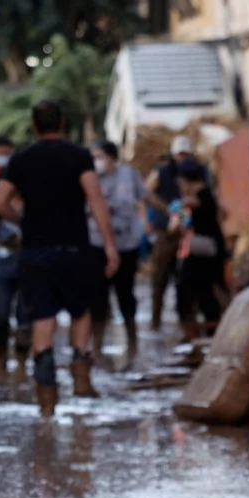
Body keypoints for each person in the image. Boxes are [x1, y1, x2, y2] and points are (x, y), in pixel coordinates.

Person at [0, 100, 118, 417]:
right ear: (62, 123)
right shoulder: (78, 155)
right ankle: (80, 375)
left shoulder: (21, 159)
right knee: (81, 312)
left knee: (42, 321)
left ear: (34, 126)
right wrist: (109, 244)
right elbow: (95, 197)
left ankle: (47, 400)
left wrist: (21, 221)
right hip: (74, 250)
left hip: (35, 252)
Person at [88, 141, 146, 368]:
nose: (96, 161)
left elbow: (145, 197)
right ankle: (96, 348)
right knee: (97, 298)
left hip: (126, 245)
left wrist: (170, 211)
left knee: (126, 295)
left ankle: (132, 344)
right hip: (95, 244)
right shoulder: (88, 178)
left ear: (112, 157)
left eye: (100, 156)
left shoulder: (129, 176)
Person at [145, 136, 210, 328]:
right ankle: (156, 318)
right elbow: (147, 192)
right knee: (161, 276)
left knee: (190, 277)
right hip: (167, 230)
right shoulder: (163, 172)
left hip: (190, 231)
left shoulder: (198, 172)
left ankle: (189, 319)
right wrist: (167, 210)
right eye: (180, 154)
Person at [0, 135, 28, 359]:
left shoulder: (33, 199)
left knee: (25, 317)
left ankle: (20, 365)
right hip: (1, 264)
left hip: (28, 263)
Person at [173, 159, 228, 341]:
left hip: (204, 251)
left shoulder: (202, 195)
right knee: (204, 291)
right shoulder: (206, 194)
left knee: (192, 290)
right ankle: (204, 331)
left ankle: (202, 330)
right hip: (207, 251)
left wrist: (177, 210)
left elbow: (185, 208)